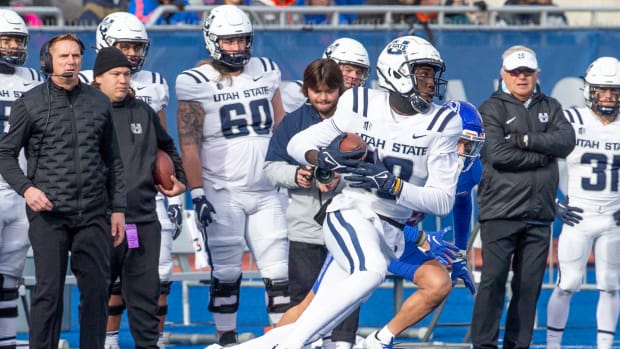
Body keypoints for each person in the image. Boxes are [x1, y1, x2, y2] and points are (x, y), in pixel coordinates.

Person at [205, 34, 462, 349]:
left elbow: (441, 200)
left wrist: (393, 185)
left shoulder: (443, 123)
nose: (430, 81)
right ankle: (291, 346)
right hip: (351, 211)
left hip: (390, 230)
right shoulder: (361, 102)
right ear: (397, 72)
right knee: (371, 272)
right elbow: (298, 143)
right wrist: (322, 159)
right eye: (422, 72)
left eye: (432, 73)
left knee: (315, 313)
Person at [0, 33, 127, 349]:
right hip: (49, 216)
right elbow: (4, 154)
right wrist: (27, 189)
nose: (71, 61)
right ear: (48, 62)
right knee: (49, 293)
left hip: (94, 214)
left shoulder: (99, 102)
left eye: (75, 56)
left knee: (97, 291)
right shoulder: (28, 104)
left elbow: (113, 158)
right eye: (63, 56)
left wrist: (119, 209)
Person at [175, 4, 289, 346]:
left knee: (279, 272)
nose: (237, 47)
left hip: (268, 189)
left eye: (242, 40)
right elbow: (190, 144)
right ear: (212, 41)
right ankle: (226, 337)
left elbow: (281, 126)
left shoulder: (267, 69)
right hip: (222, 189)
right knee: (226, 272)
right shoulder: (194, 81)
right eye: (229, 41)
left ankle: (282, 337)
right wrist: (196, 193)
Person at [78, 11, 184, 349]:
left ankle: (151, 343)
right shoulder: (79, 96)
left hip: (141, 210)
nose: (132, 58)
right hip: (98, 213)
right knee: (97, 288)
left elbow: (165, 146)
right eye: (124, 48)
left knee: (147, 287)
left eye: (137, 49)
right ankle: (103, 342)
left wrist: (176, 186)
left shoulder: (146, 102)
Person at [470, 45, 575, 349]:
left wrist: (525, 140)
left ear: (536, 74)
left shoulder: (551, 106)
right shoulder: (490, 108)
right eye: (515, 72)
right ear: (503, 74)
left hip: (539, 213)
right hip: (500, 211)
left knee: (528, 287)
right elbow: (497, 154)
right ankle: (484, 345)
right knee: (492, 282)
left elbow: (566, 141)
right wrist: (543, 155)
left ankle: (518, 346)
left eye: (527, 72)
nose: (521, 77)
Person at [264, 58, 362, 349]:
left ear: (340, 88)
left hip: (348, 226)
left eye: (329, 91)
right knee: (302, 298)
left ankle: (342, 345)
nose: (322, 97)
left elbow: (373, 170)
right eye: (316, 91)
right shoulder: (293, 122)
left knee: (349, 294)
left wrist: (339, 179)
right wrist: (298, 175)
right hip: (305, 229)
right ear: (306, 90)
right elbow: (270, 167)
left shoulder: (356, 121)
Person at [546, 56, 620, 349]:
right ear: (590, 90)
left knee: (611, 285)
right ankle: (553, 344)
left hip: (613, 218)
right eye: (602, 89)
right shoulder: (572, 120)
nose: (608, 96)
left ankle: (604, 346)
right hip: (579, 216)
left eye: (614, 90)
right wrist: (552, 201)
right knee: (568, 283)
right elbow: (541, 163)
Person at [0, 9, 44, 349]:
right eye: (6, 39)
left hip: (20, 187)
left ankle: (7, 341)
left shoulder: (32, 78)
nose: (13, 46)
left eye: (17, 40)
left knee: (10, 276)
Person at [279, 37, 370, 114]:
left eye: (359, 72)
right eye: (348, 70)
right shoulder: (298, 94)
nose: (354, 76)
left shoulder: (363, 103)